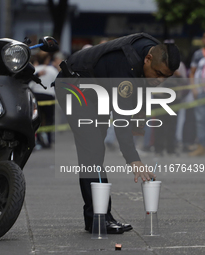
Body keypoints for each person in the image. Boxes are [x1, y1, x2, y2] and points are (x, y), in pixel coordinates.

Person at [55, 33, 180, 234]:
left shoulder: (156, 52)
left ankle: (98, 217)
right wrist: (134, 160)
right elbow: (121, 120)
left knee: (95, 150)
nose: (160, 81)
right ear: (148, 59)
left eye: (166, 76)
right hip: (74, 86)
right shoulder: (127, 66)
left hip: (98, 88)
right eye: (158, 74)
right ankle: (98, 218)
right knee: (92, 149)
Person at [29, 51, 58, 148]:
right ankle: (49, 140)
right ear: (47, 59)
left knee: (38, 120)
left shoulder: (34, 69)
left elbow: (30, 84)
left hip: (36, 96)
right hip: (49, 96)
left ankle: (39, 139)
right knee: (49, 119)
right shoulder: (52, 70)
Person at [188, 32, 205, 156]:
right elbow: (192, 73)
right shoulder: (198, 54)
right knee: (200, 120)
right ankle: (201, 146)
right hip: (200, 92)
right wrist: (194, 88)